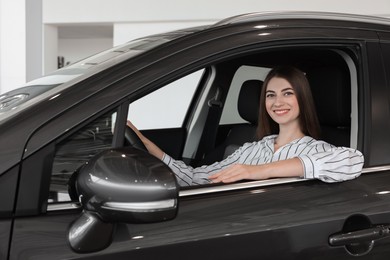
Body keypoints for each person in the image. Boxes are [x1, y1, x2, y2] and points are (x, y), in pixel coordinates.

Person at [127, 66, 364, 186]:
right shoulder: (251, 149)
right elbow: (195, 179)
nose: (277, 102)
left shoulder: (317, 149)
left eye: (287, 93)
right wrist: (143, 142)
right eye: (270, 95)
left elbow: (353, 161)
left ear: (303, 99)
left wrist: (259, 171)